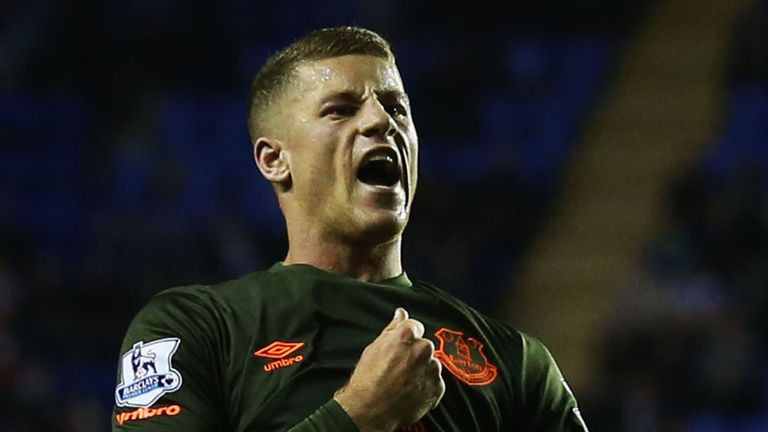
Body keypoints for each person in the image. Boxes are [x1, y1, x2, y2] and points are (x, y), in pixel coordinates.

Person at [111, 26, 589, 431]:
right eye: (340, 109)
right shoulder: (195, 328)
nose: (382, 121)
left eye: (397, 107)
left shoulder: (516, 361)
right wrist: (359, 415)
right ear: (275, 160)